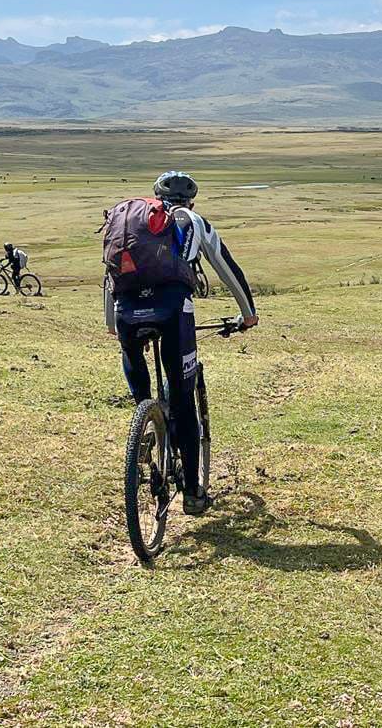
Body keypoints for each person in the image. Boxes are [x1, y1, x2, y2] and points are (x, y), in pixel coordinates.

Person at [103, 170, 258, 516]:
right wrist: (248, 314)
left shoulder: (129, 221)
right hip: (174, 311)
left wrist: (111, 323)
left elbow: (110, 272)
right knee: (184, 400)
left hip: (126, 311)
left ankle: (146, 422)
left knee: (141, 384)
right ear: (191, 200)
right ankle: (192, 493)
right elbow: (226, 268)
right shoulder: (193, 221)